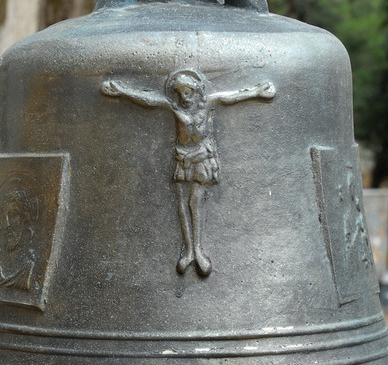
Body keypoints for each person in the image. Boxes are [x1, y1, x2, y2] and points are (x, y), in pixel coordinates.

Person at [101, 69, 275, 276]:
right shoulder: (173, 106)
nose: (184, 98)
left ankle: (198, 250)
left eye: (188, 93)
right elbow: (149, 100)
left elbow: (231, 97)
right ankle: (189, 251)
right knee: (182, 203)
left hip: (201, 156)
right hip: (182, 157)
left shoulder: (208, 103)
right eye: (180, 93)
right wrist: (122, 91)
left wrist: (256, 92)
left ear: (198, 91)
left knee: (195, 201)